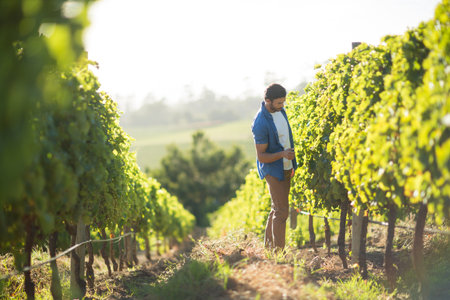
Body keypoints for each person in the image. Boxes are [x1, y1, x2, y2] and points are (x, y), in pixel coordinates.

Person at [251, 83, 297, 251]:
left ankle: (269, 249)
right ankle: (278, 254)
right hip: (273, 169)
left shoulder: (280, 112)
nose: (282, 106)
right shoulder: (260, 123)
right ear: (268, 101)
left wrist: (289, 162)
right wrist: (283, 155)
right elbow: (261, 156)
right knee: (282, 211)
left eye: (283, 102)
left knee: (276, 208)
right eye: (279, 103)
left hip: (286, 166)